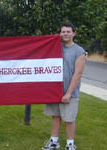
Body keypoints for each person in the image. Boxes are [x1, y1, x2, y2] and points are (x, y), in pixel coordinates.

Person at [42, 22, 86, 150]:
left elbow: (77, 74)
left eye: (68, 31)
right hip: (55, 91)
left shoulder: (79, 51)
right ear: (60, 33)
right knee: (55, 116)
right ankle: (54, 142)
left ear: (74, 33)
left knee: (69, 119)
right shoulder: (55, 47)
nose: (65, 34)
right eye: (63, 31)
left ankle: (70, 144)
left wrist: (68, 93)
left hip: (70, 92)